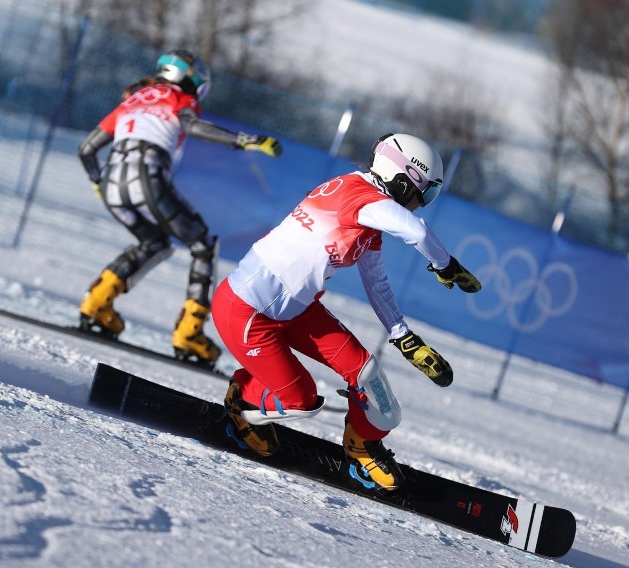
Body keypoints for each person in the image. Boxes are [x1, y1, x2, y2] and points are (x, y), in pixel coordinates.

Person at [211, 133, 482, 491]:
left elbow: (377, 281)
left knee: (374, 386)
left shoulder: (368, 213)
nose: (422, 203)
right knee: (301, 401)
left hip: (295, 311)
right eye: (426, 192)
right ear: (403, 178)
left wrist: (403, 336)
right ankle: (243, 397)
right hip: (245, 311)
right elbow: (416, 231)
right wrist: (445, 265)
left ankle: (362, 447)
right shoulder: (360, 196)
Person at [77, 49, 282, 366]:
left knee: (153, 243)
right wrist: (244, 140)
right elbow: (194, 126)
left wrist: (97, 182)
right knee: (201, 243)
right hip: (148, 176)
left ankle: (96, 304)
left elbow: (87, 149)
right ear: (186, 77)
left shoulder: (134, 98)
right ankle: (189, 333)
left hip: (112, 184)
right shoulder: (177, 98)